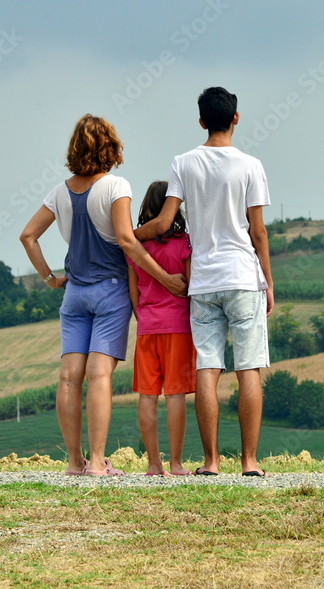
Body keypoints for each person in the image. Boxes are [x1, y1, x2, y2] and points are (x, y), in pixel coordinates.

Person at [20, 114, 187, 477]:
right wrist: (166, 279)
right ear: (111, 147)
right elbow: (127, 240)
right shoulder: (116, 187)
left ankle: (75, 462)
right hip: (110, 291)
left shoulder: (59, 192)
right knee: (99, 376)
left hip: (74, 293)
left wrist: (49, 277)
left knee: (68, 377)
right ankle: (98, 463)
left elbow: (28, 236)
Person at [135, 87, 273, 477]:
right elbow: (258, 232)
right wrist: (268, 281)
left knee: (207, 368)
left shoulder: (183, 163)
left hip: (203, 280)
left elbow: (163, 223)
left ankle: (210, 462)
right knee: (249, 369)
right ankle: (249, 462)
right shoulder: (251, 165)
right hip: (244, 276)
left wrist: (127, 238)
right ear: (236, 118)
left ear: (200, 121)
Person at [128, 181, 196, 477]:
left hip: (147, 326)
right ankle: (177, 464)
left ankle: (154, 464)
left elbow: (133, 293)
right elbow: (192, 286)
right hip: (179, 327)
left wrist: (143, 318)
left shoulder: (135, 246)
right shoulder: (186, 244)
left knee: (147, 395)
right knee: (175, 395)